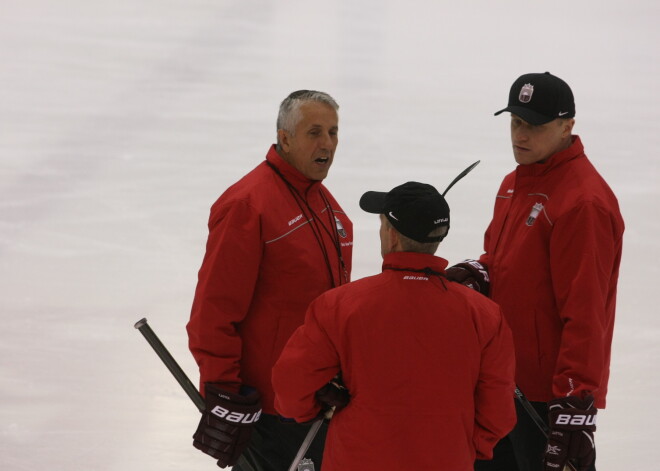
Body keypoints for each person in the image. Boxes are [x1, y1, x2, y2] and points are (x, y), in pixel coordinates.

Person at [272, 181, 517, 471]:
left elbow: (290, 388)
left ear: (391, 235)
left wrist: (315, 409)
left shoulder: (339, 307)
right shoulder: (485, 316)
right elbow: (498, 414)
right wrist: (460, 446)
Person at [447, 72, 625, 471]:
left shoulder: (583, 203)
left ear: (567, 126)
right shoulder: (515, 183)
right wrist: (480, 271)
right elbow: (504, 259)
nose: (521, 135)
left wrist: (574, 406)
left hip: (547, 398)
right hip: (501, 383)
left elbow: (585, 314)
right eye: (516, 122)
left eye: (535, 125)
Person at [186, 90, 353, 470]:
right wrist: (225, 393)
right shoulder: (248, 206)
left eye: (333, 132)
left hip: (316, 396)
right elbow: (212, 313)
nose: (327, 144)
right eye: (314, 132)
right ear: (285, 137)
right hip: (268, 407)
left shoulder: (326, 204)